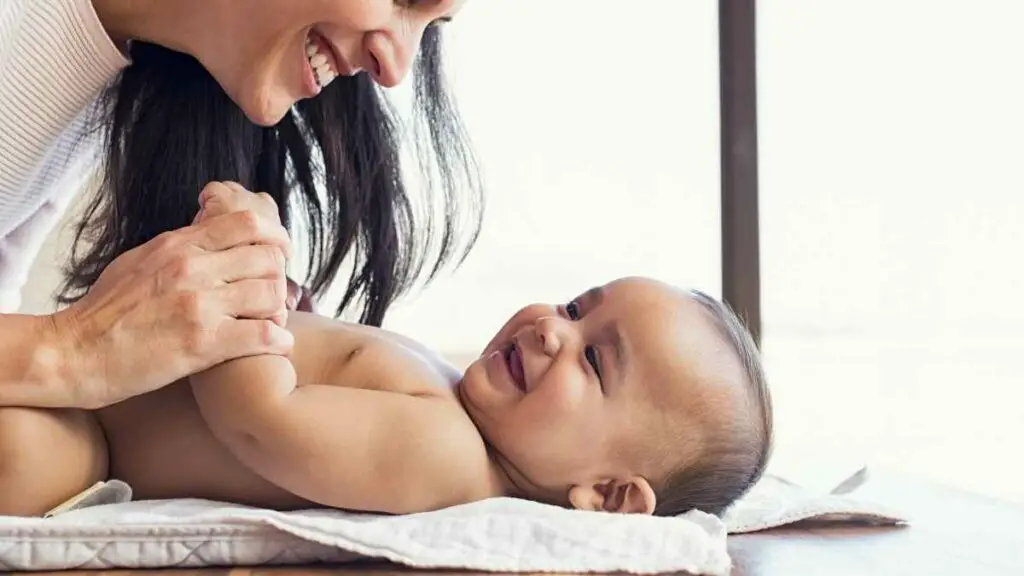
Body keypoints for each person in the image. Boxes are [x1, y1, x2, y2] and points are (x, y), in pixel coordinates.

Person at [0, 0, 479, 462]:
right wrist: (73, 346)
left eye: (431, 26)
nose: (395, 70)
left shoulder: (96, 68)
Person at [0, 268, 773, 517]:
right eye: (577, 308)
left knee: (24, 453)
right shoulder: (453, 399)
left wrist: (248, 283)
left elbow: (262, 422)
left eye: (595, 363)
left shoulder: (450, 458)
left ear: (607, 494)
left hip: (94, 438)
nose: (549, 329)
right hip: (98, 378)